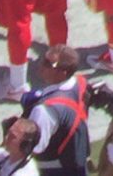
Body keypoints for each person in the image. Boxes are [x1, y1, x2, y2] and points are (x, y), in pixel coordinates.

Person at [22, 45, 91, 176]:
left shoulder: (44, 110)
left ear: (62, 72)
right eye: (43, 59)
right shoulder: (81, 84)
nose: (41, 65)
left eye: (49, 64)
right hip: (77, 165)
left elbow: (33, 149)